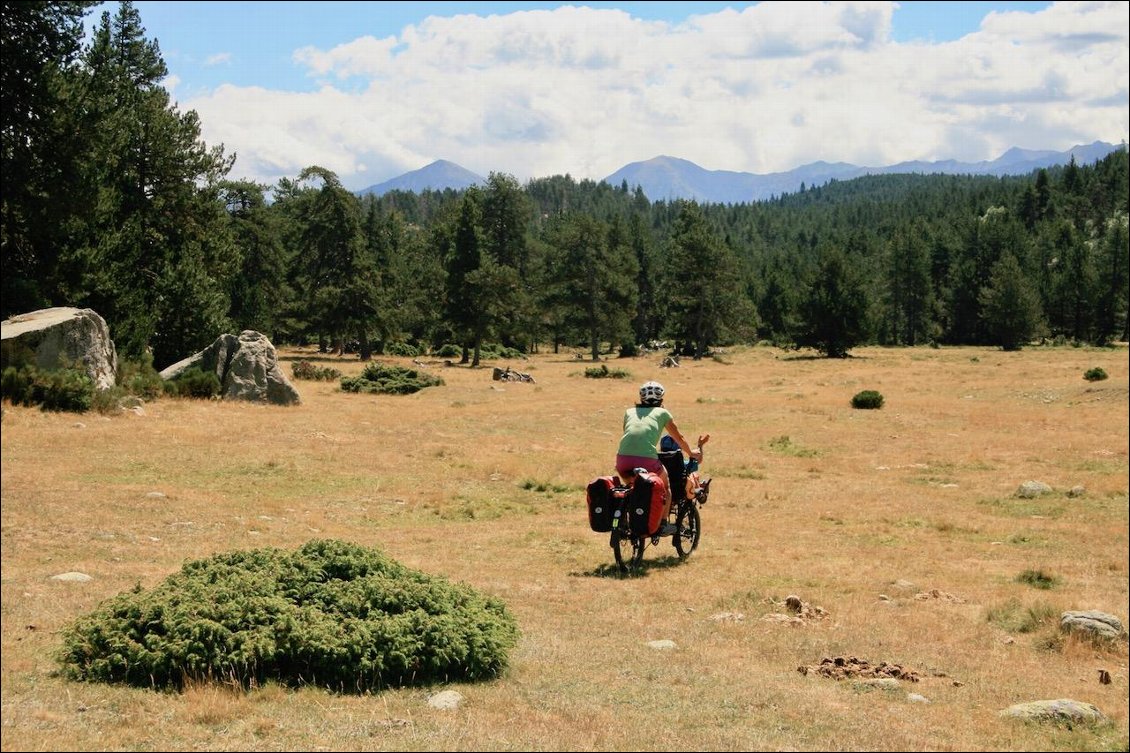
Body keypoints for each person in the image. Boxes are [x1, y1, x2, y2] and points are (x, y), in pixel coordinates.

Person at [615, 380, 703, 534]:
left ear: (641, 398)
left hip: (622, 460)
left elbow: (629, 434)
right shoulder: (663, 413)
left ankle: (627, 519)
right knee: (665, 488)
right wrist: (690, 453)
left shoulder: (629, 412)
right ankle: (662, 524)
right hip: (647, 460)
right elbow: (678, 437)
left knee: (634, 487)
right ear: (661, 399)